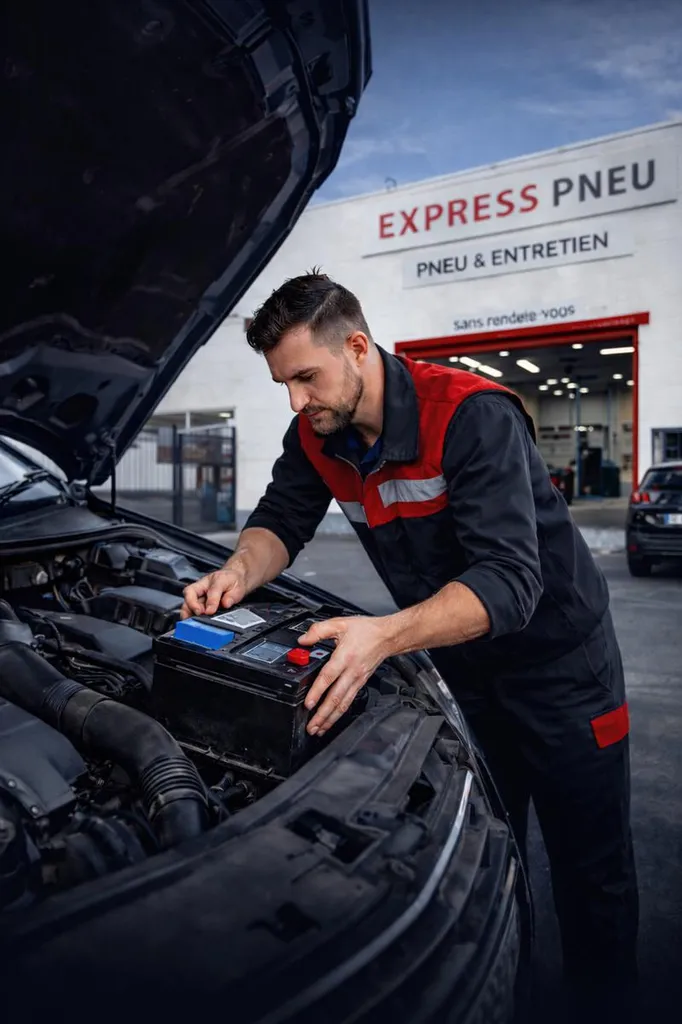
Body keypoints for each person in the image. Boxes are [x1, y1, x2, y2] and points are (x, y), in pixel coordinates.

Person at [181, 272, 638, 1006]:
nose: (297, 402)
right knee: (491, 852)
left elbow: (509, 583)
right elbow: (280, 522)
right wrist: (236, 572)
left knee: (594, 873)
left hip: (563, 671)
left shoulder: (468, 415)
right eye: (283, 385)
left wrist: (383, 637)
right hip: (466, 672)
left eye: (306, 378)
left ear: (357, 347)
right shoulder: (317, 434)